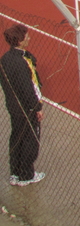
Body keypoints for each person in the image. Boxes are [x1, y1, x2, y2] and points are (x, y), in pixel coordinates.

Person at [0, 24, 45, 187]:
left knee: (17, 138)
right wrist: (37, 108)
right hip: (27, 109)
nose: (29, 38)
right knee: (30, 141)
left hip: (13, 107)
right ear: (19, 41)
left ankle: (15, 173)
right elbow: (28, 89)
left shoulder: (5, 59)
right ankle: (26, 175)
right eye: (26, 36)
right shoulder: (21, 63)